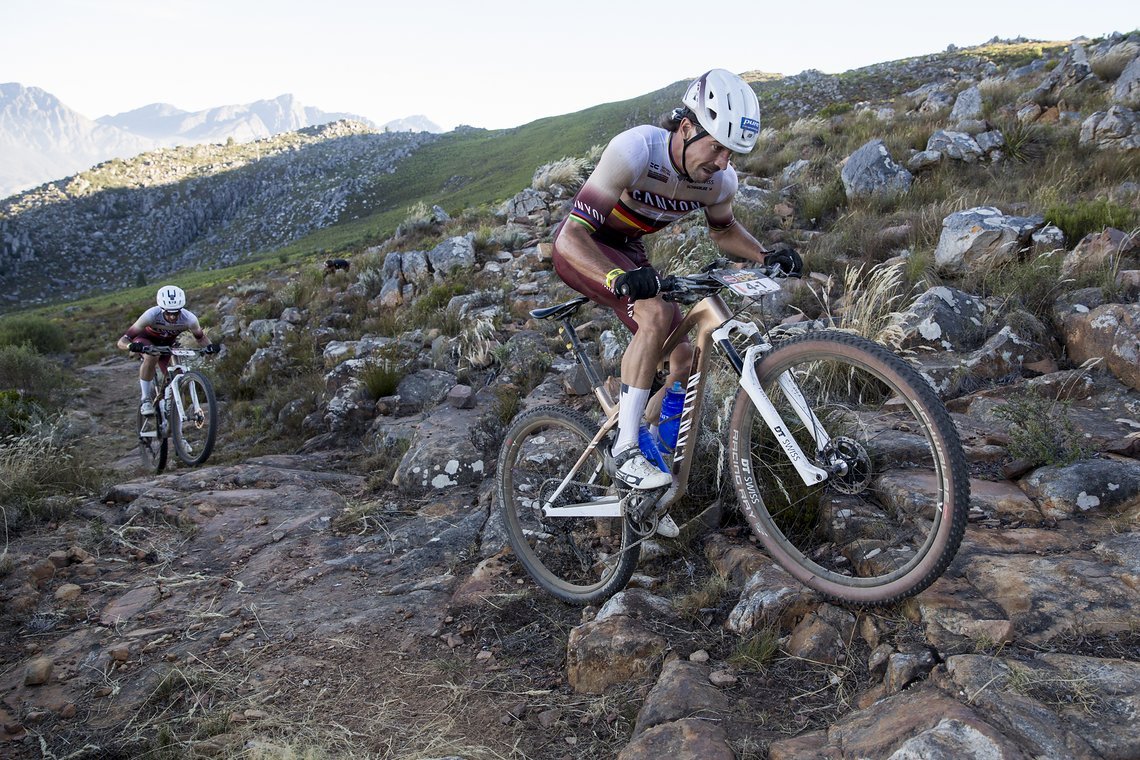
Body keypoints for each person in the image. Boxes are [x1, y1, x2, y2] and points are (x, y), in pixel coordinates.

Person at [552, 68, 803, 494]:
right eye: (716, 147)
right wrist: (617, 277)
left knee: (684, 357)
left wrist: (764, 254)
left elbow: (723, 231)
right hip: (586, 247)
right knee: (652, 313)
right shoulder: (635, 150)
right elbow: (571, 235)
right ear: (686, 128)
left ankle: (651, 447)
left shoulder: (719, 181)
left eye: (732, 154)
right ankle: (625, 451)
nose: (722, 162)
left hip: (630, 251)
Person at [117, 285, 219, 415]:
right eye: (168, 313)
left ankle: (172, 413)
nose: (172, 317)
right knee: (152, 355)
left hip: (168, 344)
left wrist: (210, 347)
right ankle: (146, 399)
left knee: (178, 374)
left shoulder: (190, 319)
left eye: (176, 313)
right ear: (161, 309)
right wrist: (130, 346)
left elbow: (201, 338)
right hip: (145, 341)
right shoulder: (150, 315)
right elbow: (122, 341)